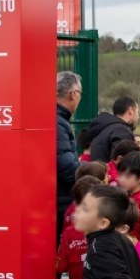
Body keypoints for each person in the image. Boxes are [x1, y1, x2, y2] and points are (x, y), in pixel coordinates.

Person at [56, 71, 83, 241]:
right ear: (72, 94)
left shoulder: (59, 120)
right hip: (59, 202)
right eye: (80, 93)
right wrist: (90, 178)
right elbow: (65, 165)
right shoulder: (57, 122)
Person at [84, 97, 139, 163]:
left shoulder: (104, 128)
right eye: (137, 112)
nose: (138, 117)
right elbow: (121, 164)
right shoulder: (121, 131)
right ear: (131, 111)